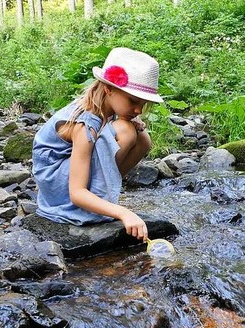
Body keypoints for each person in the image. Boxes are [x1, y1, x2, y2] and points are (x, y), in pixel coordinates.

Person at [32, 47, 163, 241]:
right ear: (108, 88)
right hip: (58, 187)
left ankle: (101, 197)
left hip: (66, 173)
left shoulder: (105, 107)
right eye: (133, 101)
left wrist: (138, 128)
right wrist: (123, 213)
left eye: (143, 104)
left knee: (141, 138)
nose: (138, 109)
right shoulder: (85, 124)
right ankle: (94, 203)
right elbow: (76, 193)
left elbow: (142, 144)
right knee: (126, 131)